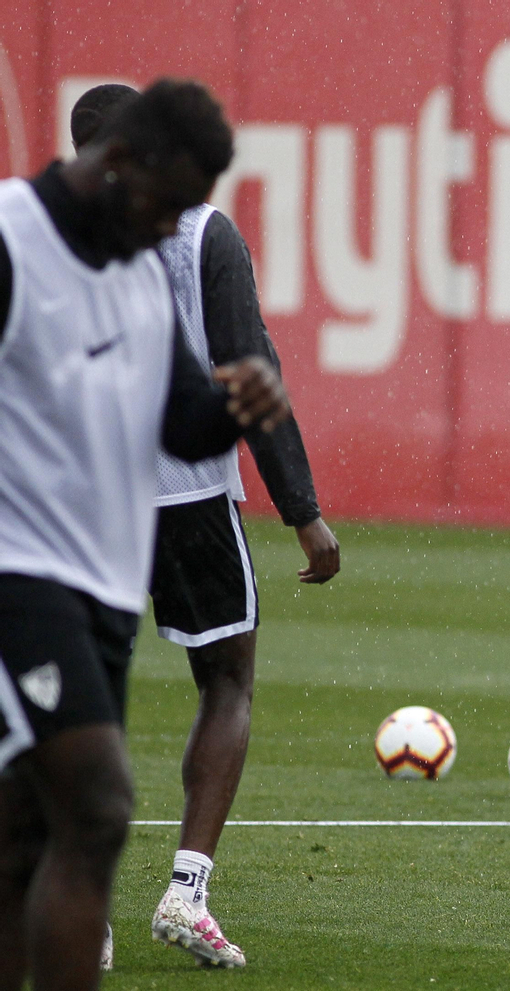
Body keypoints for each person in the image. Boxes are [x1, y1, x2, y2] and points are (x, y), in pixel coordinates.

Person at [0, 79, 291, 991]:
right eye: (170, 205)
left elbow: (178, 423)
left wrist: (238, 408)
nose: (176, 231)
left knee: (26, 838)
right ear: (115, 164)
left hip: (105, 581)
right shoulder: (12, 237)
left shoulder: (134, 271)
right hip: (18, 574)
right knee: (97, 805)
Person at [68, 83, 340, 971]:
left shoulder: (33, 233)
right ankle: (185, 890)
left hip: (77, 503)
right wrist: (303, 512)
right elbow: (248, 365)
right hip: (185, 497)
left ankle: (82, 904)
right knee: (226, 681)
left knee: (80, 703)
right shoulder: (201, 231)